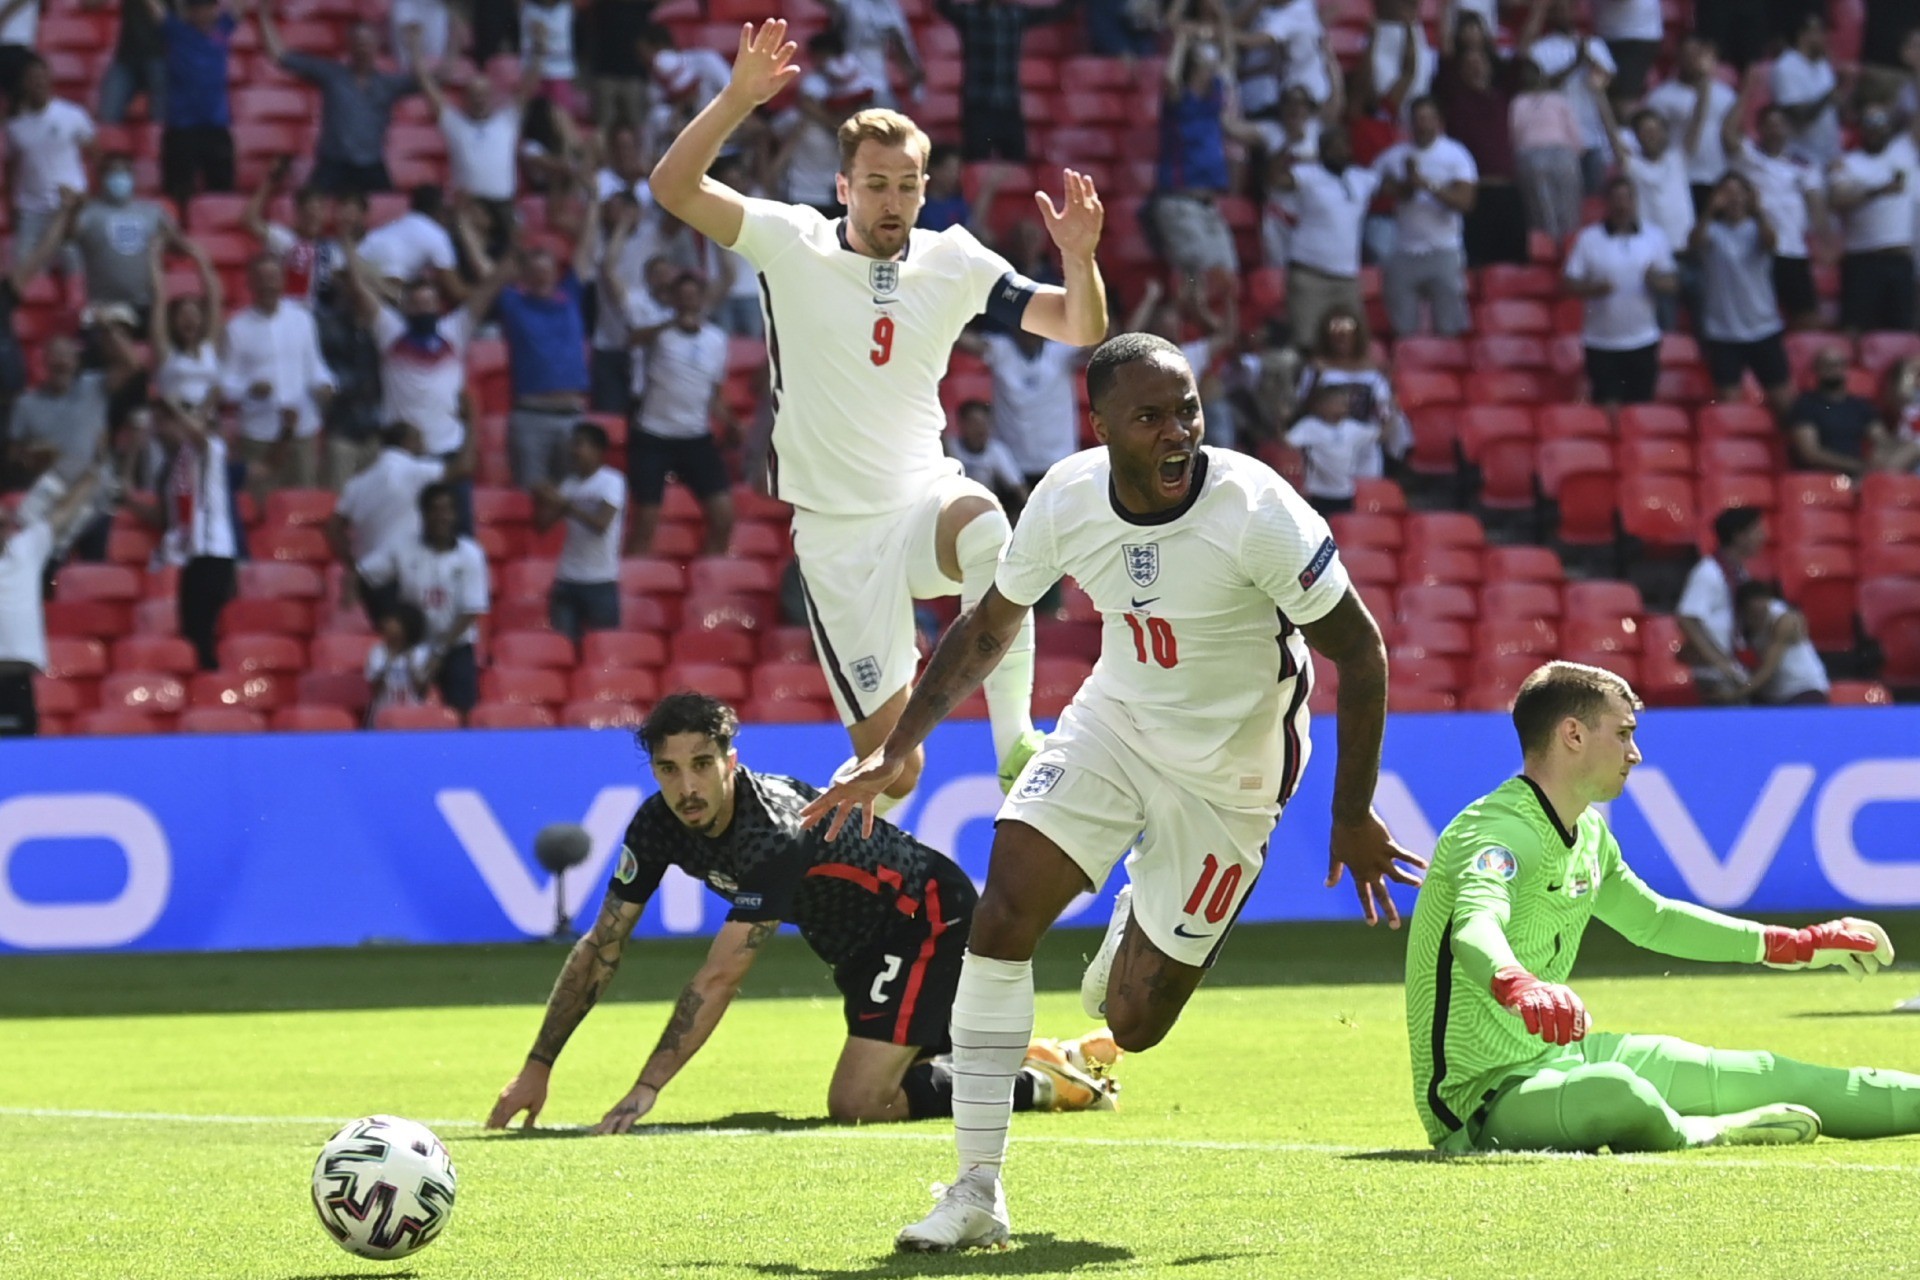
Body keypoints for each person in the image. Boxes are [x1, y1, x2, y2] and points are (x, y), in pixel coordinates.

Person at [802, 333, 1423, 1251]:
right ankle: (976, 1189)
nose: (1177, 433)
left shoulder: (1255, 507)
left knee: (1134, 1023)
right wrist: (897, 748)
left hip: (1232, 773)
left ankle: (1142, 912)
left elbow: (1360, 652)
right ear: (1100, 427)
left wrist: (1350, 810)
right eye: (1150, 416)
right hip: (1116, 723)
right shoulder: (1065, 497)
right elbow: (988, 628)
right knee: (1003, 912)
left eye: (1189, 411)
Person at [648, 20, 1109, 806]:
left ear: (925, 189)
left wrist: (1079, 256)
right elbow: (673, 188)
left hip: (921, 499)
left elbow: (1081, 326)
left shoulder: (953, 260)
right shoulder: (790, 241)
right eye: (875, 184)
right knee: (893, 772)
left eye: (907, 185)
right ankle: (835, 883)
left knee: (992, 527)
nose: (892, 201)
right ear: (842, 187)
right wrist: (735, 99)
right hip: (839, 537)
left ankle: (1015, 743)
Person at [487, 690, 1118, 1133]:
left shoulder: (772, 834)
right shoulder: (657, 825)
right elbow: (603, 944)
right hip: (856, 945)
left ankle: (1045, 1083)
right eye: (668, 770)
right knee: (911, 1073)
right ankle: (1032, 1058)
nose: (687, 787)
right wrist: (535, 1068)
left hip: (924, 916)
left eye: (702, 765)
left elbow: (719, 977)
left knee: (860, 1101)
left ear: (730, 761)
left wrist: (647, 1088)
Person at [1403, 660, 1918, 1155]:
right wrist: (1518, 983)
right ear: (1573, 735)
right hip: (1480, 1102)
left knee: (1774, 1075)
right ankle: (1706, 1133)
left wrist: (1793, 945)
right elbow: (1474, 927)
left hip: (1563, 1059)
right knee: (1616, 1091)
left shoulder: (1589, 833)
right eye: (1624, 734)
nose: (1636, 754)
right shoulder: (1497, 831)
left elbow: (1654, 919)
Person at [624, 271, 734, 557]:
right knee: (646, 520)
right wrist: (672, 322)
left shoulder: (717, 340)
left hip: (695, 436)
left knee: (723, 515)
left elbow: (715, 397)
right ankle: (634, 581)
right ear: (673, 299)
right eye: (682, 296)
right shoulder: (659, 335)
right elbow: (633, 339)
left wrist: (732, 422)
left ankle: (711, 577)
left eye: (693, 296)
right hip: (653, 435)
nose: (688, 302)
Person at [360, 482, 487, 719]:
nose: (442, 516)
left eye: (447, 509)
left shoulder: (471, 554)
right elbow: (366, 575)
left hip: (454, 646)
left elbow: (471, 610)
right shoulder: (403, 546)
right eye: (435, 510)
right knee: (409, 712)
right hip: (413, 645)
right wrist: (384, 618)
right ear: (424, 514)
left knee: (461, 712)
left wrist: (439, 652)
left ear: (456, 514)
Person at [260, 9, 420, 194]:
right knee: (309, 200)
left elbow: (434, 81)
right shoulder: (332, 75)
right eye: (358, 43)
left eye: (367, 43)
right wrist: (264, 16)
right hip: (333, 163)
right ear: (350, 46)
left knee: (389, 207)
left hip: (371, 164)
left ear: (376, 46)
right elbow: (281, 56)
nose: (363, 48)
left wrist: (418, 50)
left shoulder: (389, 83)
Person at [327, 421, 468, 625]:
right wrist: (471, 423)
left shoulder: (358, 483)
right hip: (408, 575)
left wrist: (353, 563)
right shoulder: (414, 472)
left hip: (371, 578)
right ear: (407, 442)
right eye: (419, 438)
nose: (423, 444)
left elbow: (333, 529)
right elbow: (464, 468)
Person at [219, 253, 336, 497]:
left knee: (303, 502)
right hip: (260, 434)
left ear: (282, 281)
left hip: (301, 429)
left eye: (273, 278)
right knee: (261, 505)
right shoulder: (236, 328)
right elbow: (225, 385)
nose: (267, 284)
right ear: (250, 284)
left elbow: (315, 365)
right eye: (261, 279)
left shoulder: (302, 319)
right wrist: (249, 388)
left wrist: (325, 384)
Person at [1724, 68, 1826, 332]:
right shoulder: (1749, 157)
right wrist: (1747, 91)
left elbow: (1815, 205)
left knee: (1807, 317)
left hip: (1793, 249)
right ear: (1759, 128)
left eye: (1780, 124)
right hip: (1756, 251)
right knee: (1757, 315)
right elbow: (1728, 135)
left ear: (1788, 129)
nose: (1775, 130)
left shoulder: (1803, 165)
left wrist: (1824, 241)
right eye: (1769, 124)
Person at [0, 470, 101, 735]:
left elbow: (63, 514)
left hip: (19, 677)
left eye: (4, 524)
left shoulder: (27, 548)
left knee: (21, 753)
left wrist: (90, 477)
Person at [1562, 177, 1675, 408]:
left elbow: (1672, 283)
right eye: (1616, 199)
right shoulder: (1588, 238)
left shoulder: (1655, 237)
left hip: (1643, 339)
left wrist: (1656, 282)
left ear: (1635, 201)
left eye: (1627, 198)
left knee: (1642, 408)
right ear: (1607, 202)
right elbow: (1567, 283)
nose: (1622, 204)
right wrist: (1594, 289)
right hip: (1602, 342)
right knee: (1607, 407)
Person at [1690, 173, 1792, 417]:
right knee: (1729, 408)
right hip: (1723, 331)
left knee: (1786, 403)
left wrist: (1758, 212)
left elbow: (1770, 242)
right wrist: (1708, 212)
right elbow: (1694, 244)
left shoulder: (1758, 228)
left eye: (1739, 192)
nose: (1733, 198)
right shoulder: (1712, 231)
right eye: (1727, 192)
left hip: (1763, 327)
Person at [1374, 96, 1477, 337]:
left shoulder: (1455, 154)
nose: (1422, 124)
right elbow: (1372, 186)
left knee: (1449, 326)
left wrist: (1426, 185)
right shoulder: (1393, 156)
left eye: (1428, 118)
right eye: (1418, 119)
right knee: (1402, 328)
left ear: (1439, 122)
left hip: (1443, 249)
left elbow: (1465, 201)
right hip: (1404, 250)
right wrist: (1401, 188)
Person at [1270, 127, 1378, 350]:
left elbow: (1396, 188)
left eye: (1343, 145)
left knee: (1355, 346)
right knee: (1305, 343)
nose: (1340, 150)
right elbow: (1273, 178)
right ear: (1322, 150)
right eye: (1333, 146)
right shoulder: (1307, 174)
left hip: (1347, 279)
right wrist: (1285, 148)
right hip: (1310, 275)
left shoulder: (1362, 178)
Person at [935, 0, 1077, 163]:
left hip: (1009, 107)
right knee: (976, 163)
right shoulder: (969, 15)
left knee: (1018, 164)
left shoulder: (1016, 15)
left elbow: (1058, 12)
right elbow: (942, 6)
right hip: (979, 107)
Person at [533, 420, 625, 643]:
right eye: (573, 445)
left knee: (603, 649)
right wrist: (541, 499)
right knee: (562, 648)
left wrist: (564, 504)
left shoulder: (611, 481)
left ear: (598, 450)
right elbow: (541, 526)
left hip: (601, 582)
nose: (573, 451)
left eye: (579, 445)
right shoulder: (569, 484)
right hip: (567, 579)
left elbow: (601, 525)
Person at [1830, 107, 1913, 335]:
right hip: (1862, 258)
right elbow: (1838, 198)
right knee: (1854, 328)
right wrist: (1878, 191)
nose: (1875, 132)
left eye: (1880, 126)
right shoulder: (1849, 162)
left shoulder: (1904, 152)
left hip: (1899, 258)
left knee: (1903, 330)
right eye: (1870, 127)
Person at [6, 56, 96, 266]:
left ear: (49, 80)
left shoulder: (72, 115)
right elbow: (12, 168)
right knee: (23, 273)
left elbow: (96, 156)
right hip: (31, 210)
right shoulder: (15, 127)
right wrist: (13, 206)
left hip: (68, 209)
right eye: (32, 79)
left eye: (41, 77)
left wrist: (88, 193)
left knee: (76, 268)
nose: (38, 83)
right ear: (24, 84)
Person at [1293, 306, 1410, 463]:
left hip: (1365, 438)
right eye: (1337, 335)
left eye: (1347, 334)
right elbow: (1302, 404)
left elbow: (1386, 409)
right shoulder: (1315, 369)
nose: (1342, 339)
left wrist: (1381, 430)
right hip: (1326, 438)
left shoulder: (1373, 371)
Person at [152, 0, 238, 214]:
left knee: (222, 191)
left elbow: (241, 6)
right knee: (177, 192)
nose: (202, 12)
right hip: (182, 128)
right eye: (196, 7)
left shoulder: (223, 29)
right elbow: (155, 9)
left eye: (206, 6)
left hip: (215, 128)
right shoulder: (176, 31)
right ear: (189, 11)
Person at [73, 153, 181, 322]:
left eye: (125, 172)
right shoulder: (87, 213)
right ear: (101, 177)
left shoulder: (153, 211)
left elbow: (179, 246)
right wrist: (71, 210)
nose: (120, 177)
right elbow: (67, 235)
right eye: (113, 172)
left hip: (147, 305)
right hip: (104, 307)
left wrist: (169, 238)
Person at [1676, 504, 1765, 705]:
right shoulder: (1708, 572)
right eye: (1757, 530)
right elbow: (1687, 619)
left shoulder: (1740, 574)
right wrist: (1719, 662)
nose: (1764, 536)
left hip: (1734, 671)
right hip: (1713, 676)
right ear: (1739, 536)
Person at [1645, 35, 1737, 208]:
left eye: (1696, 54)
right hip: (1682, 174)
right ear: (1678, 57)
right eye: (1687, 54)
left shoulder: (1726, 95)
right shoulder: (1661, 97)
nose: (1692, 60)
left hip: (1718, 173)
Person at [148, 236, 224, 423]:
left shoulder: (209, 347)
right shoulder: (166, 352)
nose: (189, 320)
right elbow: (159, 297)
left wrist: (197, 256)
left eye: (194, 314)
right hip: (175, 422)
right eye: (183, 315)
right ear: (173, 321)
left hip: (206, 422)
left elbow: (214, 298)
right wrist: (155, 254)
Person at [1785, 347, 1892, 477]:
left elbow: (1882, 440)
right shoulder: (1805, 405)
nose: (1833, 369)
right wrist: (1857, 466)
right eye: (1827, 365)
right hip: (1822, 475)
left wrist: (1877, 457)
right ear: (1816, 369)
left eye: (1838, 364)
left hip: (1860, 473)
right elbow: (1810, 453)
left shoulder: (1860, 406)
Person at [1509, 58, 1584, 244]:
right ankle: (1548, 245)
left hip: (1562, 154)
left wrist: (1576, 153)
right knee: (1541, 208)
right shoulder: (1517, 102)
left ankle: (1569, 243)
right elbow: (1514, 134)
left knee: (1568, 205)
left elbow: (1573, 131)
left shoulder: (1557, 99)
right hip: (1531, 156)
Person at [1285, 381, 1381, 516]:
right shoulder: (1310, 426)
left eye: (1345, 403)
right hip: (1318, 492)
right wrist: (1281, 422)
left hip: (1345, 492)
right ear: (1322, 405)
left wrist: (1392, 413)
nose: (1343, 406)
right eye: (1338, 402)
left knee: (1341, 529)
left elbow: (1379, 435)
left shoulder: (1352, 427)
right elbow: (1288, 443)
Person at [1734, 581, 1831, 706]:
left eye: (1763, 610)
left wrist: (1735, 695)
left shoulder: (1783, 621)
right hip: (1771, 695)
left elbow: (1767, 669)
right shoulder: (1740, 623)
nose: (1760, 615)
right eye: (1754, 613)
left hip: (1803, 689)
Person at [1771, 12, 1842, 168]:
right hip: (1801, 158)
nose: (1825, 37)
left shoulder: (1823, 64)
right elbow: (1799, 116)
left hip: (1830, 157)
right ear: (1803, 35)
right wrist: (1829, 96)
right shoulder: (1786, 66)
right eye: (1819, 32)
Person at [947, 399, 1027, 513]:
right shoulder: (950, 448)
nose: (980, 429)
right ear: (962, 424)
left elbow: (1018, 487)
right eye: (974, 423)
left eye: (984, 423)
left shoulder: (997, 451)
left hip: (987, 509)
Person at [363, 600, 434, 725]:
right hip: (383, 716)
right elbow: (375, 690)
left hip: (414, 718)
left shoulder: (421, 653)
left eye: (392, 621)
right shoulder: (378, 652)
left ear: (406, 625)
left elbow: (422, 691)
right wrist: (388, 663)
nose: (386, 625)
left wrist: (411, 662)